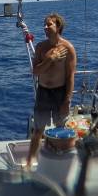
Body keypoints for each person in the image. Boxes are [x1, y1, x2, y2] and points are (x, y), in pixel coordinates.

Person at [26, 12, 76, 168]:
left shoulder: (68, 48)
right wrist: (50, 59)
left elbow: (70, 77)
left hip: (60, 93)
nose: (45, 27)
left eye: (49, 24)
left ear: (58, 26)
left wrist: (67, 100)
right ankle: (29, 163)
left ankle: (60, 164)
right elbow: (35, 72)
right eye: (45, 24)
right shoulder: (41, 47)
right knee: (38, 131)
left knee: (61, 132)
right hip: (43, 93)